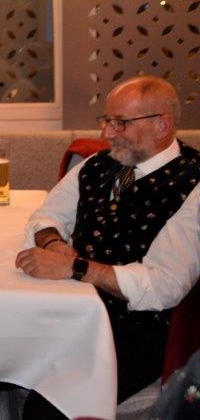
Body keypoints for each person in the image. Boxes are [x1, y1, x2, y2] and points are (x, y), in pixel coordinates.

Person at [16, 75, 200, 418]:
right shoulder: (96, 165)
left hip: (136, 330)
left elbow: (163, 285)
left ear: (162, 125)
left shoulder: (193, 183)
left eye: (120, 122)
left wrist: (77, 268)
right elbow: (45, 216)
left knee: (47, 410)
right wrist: (53, 242)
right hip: (70, 310)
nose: (106, 133)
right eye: (106, 120)